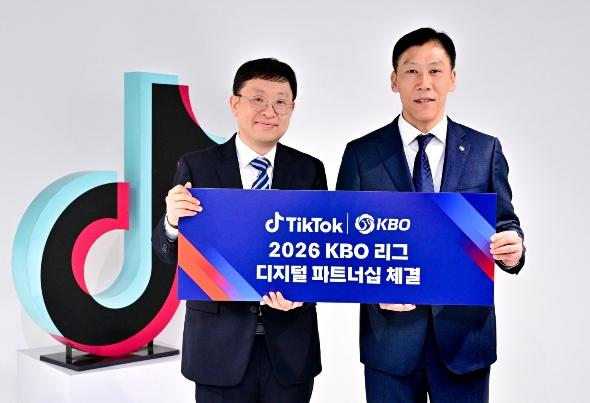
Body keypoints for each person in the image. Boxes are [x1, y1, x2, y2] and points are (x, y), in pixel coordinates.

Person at [336, 28, 525, 403]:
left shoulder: (485, 150)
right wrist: (372, 288)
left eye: (435, 70)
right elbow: (341, 241)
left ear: (452, 78)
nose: (424, 82)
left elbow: (504, 222)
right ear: (394, 80)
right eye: (412, 71)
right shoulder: (361, 154)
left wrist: (513, 249)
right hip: (389, 343)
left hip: (464, 341)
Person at [152, 58, 325, 403]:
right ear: (235, 104)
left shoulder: (309, 170)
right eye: (257, 99)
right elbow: (167, 254)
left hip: (290, 347)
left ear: (292, 108)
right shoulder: (197, 166)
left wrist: (304, 292)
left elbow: (321, 250)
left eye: (280, 101)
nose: (269, 111)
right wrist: (171, 222)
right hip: (217, 347)